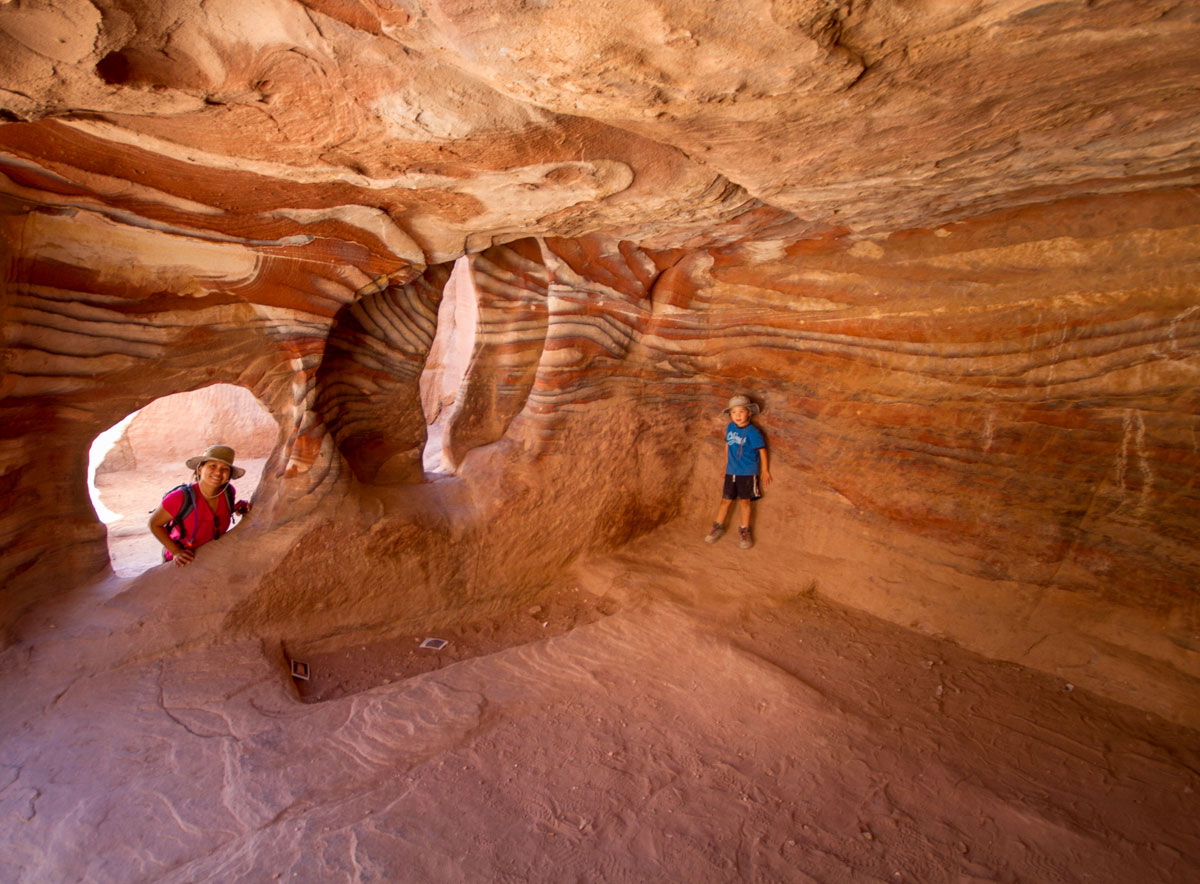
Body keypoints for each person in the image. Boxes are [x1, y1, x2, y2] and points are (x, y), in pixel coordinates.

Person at [149, 444, 251, 567]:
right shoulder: (180, 498)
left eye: (225, 469)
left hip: (211, 555)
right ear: (200, 469)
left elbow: (216, 518)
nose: (218, 472)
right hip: (185, 559)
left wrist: (238, 508)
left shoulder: (228, 492)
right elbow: (154, 524)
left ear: (229, 475)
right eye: (212, 466)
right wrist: (176, 552)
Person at [705, 394, 771, 549]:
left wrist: (764, 470)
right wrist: (726, 464)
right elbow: (728, 445)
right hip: (731, 471)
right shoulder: (730, 427)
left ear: (749, 413)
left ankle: (744, 531)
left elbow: (762, 450)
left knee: (744, 502)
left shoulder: (753, 432)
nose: (737, 416)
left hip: (747, 472)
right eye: (734, 412)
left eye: (741, 412)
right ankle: (718, 527)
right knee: (725, 500)